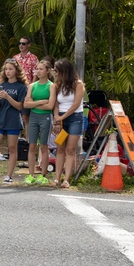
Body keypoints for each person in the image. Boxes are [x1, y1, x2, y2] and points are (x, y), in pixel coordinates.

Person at [0, 59, 27, 183]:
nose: (8, 71)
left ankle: (9, 176)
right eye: (6, 69)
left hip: (13, 120)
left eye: (10, 69)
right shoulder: (2, 85)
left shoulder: (21, 87)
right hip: (0, 120)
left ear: (16, 71)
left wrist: (8, 97)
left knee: (12, 148)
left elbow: (20, 106)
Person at [52, 58, 85, 189]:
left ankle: (66, 179)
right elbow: (55, 103)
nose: (55, 73)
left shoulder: (78, 84)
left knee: (70, 149)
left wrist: (63, 117)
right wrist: (56, 117)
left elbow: (76, 103)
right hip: (61, 117)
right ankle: (56, 177)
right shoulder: (57, 85)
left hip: (75, 117)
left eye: (57, 71)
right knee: (60, 148)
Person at [23, 59, 56, 185]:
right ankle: (30, 175)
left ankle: (43, 174)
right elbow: (26, 104)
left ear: (47, 71)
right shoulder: (32, 86)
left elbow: (50, 106)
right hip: (33, 117)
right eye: (37, 69)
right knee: (32, 145)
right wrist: (42, 102)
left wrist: (34, 104)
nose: (38, 71)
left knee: (44, 146)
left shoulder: (51, 86)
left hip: (46, 117)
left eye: (41, 69)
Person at [14, 36, 39, 134]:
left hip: (27, 89)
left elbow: (35, 74)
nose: (21, 45)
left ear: (28, 45)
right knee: (15, 115)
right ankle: (17, 139)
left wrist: (30, 88)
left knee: (26, 117)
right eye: (19, 43)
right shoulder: (15, 58)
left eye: (23, 44)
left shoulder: (33, 58)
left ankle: (28, 140)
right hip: (16, 88)